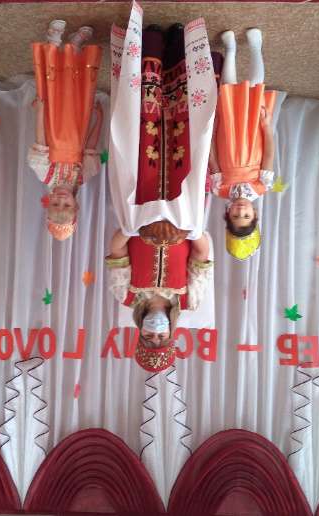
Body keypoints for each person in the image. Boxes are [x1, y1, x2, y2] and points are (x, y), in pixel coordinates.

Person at [107, 14, 216, 372]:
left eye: (149, 338)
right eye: (161, 339)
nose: (156, 334)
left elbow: (117, 248)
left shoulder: (125, 294)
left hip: (143, 199)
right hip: (183, 207)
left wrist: (136, 228)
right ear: (172, 335)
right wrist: (189, 231)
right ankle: (180, 47)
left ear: (139, 333)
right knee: (186, 138)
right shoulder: (191, 297)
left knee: (146, 136)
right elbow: (203, 252)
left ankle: (151, 45)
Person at [27, 20, 103, 241]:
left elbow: (41, 140)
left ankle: (53, 42)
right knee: (75, 89)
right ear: (76, 205)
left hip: (54, 122)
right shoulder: (85, 175)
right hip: (78, 124)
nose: (61, 199)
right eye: (66, 205)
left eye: (56, 204)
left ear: (48, 202)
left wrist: (40, 111)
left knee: (54, 88)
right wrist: (99, 119)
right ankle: (75, 45)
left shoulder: (44, 172)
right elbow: (90, 146)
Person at [209, 28, 277, 261]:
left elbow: (213, 159)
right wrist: (266, 126)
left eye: (236, 216)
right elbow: (268, 155)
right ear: (255, 213)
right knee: (255, 89)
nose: (240, 211)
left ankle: (231, 50)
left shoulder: (219, 189)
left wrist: (212, 131)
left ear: (228, 214)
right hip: (252, 135)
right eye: (246, 216)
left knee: (227, 89)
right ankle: (256, 47)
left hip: (227, 136)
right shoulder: (262, 186)